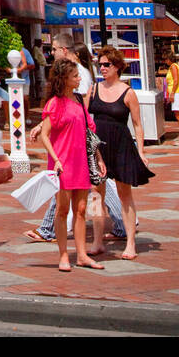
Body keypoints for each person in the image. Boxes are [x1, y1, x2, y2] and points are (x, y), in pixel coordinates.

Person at [25, 32, 126, 244]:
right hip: (79, 139)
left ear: (64, 50)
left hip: (82, 139)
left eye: (53, 49)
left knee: (88, 187)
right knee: (90, 186)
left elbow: (74, 107)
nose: (51, 53)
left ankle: (53, 230)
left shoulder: (77, 76)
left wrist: (45, 124)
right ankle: (119, 223)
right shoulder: (77, 74)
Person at [40, 57, 106, 272]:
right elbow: (45, 135)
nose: (79, 78)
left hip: (80, 161)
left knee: (81, 208)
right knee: (62, 209)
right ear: (64, 79)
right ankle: (63, 255)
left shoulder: (79, 100)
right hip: (62, 162)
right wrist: (56, 159)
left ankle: (82, 255)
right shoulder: (54, 103)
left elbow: (90, 132)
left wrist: (98, 157)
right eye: (75, 76)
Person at [88, 46, 153, 260]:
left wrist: (141, 151)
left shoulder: (128, 92)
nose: (102, 67)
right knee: (97, 194)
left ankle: (131, 243)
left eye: (106, 64)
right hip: (99, 147)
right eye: (100, 63)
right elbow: (85, 119)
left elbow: (137, 124)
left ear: (117, 67)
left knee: (125, 194)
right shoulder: (93, 90)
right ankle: (97, 241)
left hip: (121, 145)